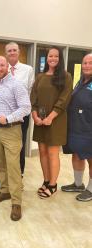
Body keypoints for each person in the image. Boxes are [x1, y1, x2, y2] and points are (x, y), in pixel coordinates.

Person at [0, 56, 31, 221]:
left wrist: (9, 118)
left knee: (13, 167)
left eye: (1, 65)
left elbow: (26, 108)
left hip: (11, 130)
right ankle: (5, 191)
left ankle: (16, 202)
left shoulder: (16, 84)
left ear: (7, 66)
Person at [31, 47, 73, 199]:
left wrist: (51, 117)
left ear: (60, 58)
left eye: (56, 56)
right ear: (47, 58)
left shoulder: (66, 76)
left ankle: (53, 185)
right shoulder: (40, 76)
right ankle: (46, 181)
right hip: (40, 121)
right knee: (42, 152)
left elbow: (64, 99)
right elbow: (33, 98)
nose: (53, 58)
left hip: (56, 121)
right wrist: (35, 116)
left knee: (52, 153)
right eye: (50, 56)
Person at [61, 53, 92, 202]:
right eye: (85, 63)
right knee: (77, 155)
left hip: (89, 129)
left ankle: (91, 189)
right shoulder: (81, 81)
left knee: (91, 159)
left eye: (90, 63)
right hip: (76, 127)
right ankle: (78, 184)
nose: (87, 65)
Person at [5, 42, 34, 176]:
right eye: (9, 51)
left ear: (19, 52)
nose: (12, 52)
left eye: (14, 50)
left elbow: (30, 92)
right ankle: (7, 172)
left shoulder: (28, 70)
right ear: (6, 53)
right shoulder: (2, 69)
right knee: (6, 144)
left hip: (22, 115)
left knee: (19, 145)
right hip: (5, 115)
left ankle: (19, 173)